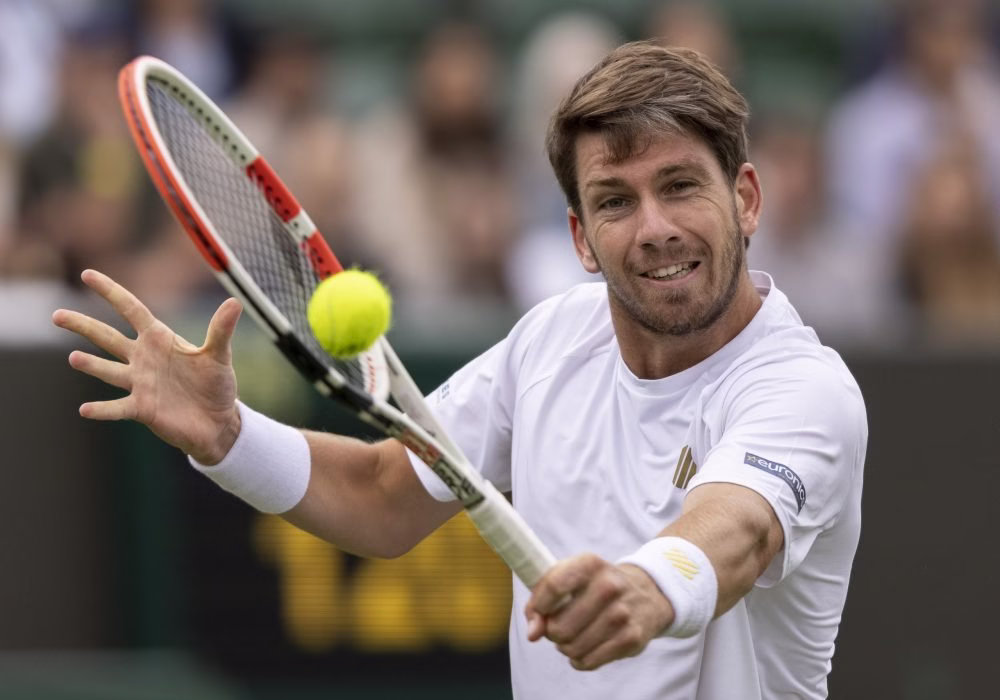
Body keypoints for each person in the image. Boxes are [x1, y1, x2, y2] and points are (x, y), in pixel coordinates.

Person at [52, 41, 867, 700]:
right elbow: (382, 496)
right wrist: (229, 438)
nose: (653, 227)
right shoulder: (551, 340)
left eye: (681, 186)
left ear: (747, 200)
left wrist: (648, 591)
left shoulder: (803, 389)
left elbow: (739, 527)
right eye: (616, 202)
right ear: (581, 238)